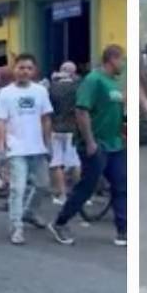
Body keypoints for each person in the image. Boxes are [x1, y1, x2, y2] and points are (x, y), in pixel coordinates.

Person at [49, 45, 127, 247]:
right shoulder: (93, 80)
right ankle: (60, 222)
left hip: (115, 144)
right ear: (112, 59)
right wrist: (90, 141)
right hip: (96, 144)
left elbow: (116, 112)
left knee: (121, 185)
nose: (124, 64)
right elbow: (82, 111)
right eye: (122, 60)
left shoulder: (114, 83)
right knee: (87, 186)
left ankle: (123, 230)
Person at [0, 54, 53, 245]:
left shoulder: (40, 91)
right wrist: (0, 149)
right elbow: (0, 122)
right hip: (16, 149)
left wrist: (47, 144)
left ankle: (30, 212)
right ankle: (16, 226)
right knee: (17, 189)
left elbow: (46, 119)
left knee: (43, 185)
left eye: (28, 68)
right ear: (14, 69)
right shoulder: (6, 94)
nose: (25, 71)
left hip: (37, 148)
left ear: (34, 71)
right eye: (21, 67)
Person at [48, 61, 82, 205]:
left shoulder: (52, 87)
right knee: (74, 162)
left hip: (55, 129)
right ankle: (80, 194)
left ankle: (62, 195)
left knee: (57, 163)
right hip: (73, 129)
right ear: (73, 72)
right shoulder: (78, 87)